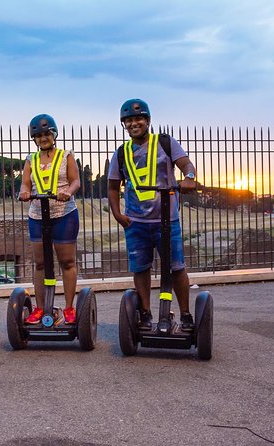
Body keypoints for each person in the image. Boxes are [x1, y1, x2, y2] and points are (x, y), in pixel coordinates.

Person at [107, 99, 197, 331]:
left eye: (138, 118)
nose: (134, 123)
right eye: (129, 120)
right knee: (140, 268)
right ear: (124, 125)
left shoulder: (165, 142)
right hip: (135, 222)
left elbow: (186, 163)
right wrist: (117, 214)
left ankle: (186, 314)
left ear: (147, 120)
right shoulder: (121, 152)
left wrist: (188, 177)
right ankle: (145, 313)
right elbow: (113, 186)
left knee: (176, 267)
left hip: (167, 221)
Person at [19, 114, 81, 324]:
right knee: (40, 263)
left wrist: (68, 192)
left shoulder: (66, 156)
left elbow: (75, 182)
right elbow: (25, 184)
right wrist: (24, 192)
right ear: (34, 138)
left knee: (67, 261)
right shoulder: (30, 160)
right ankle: (40, 307)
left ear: (54, 134)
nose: (43, 138)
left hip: (64, 214)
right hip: (37, 215)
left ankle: (70, 308)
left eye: (47, 133)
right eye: (38, 135)